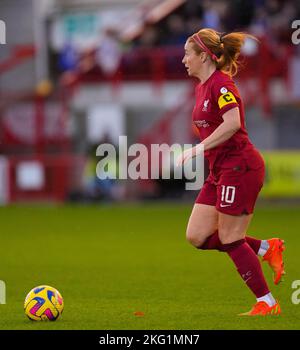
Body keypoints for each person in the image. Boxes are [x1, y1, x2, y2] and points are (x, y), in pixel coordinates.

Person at [177, 28, 285, 316]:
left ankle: (267, 303)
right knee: (197, 236)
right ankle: (266, 248)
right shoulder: (202, 87)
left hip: (241, 167)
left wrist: (199, 149)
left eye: (188, 53)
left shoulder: (221, 85)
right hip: (220, 170)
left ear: (203, 55)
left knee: (230, 238)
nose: (184, 59)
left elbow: (233, 122)